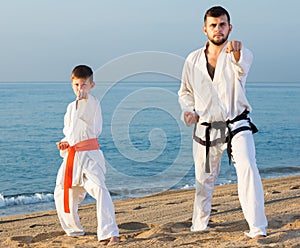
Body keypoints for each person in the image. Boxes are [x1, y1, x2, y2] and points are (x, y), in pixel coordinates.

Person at [178, 6, 268, 238]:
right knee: (205, 179)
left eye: (222, 24)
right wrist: (188, 110)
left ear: (230, 27)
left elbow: (241, 67)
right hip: (207, 130)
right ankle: (199, 225)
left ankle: (258, 228)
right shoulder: (193, 59)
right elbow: (185, 91)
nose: (218, 29)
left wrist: (236, 53)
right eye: (213, 25)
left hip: (237, 126)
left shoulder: (240, 52)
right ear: (205, 29)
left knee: (248, 168)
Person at [54, 65, 119, 245]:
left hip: (90, 156)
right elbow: (70, 132)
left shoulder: (93, 104)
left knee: (99, 190)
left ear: (92, 85)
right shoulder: (70, 107)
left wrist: (83, 102)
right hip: (72, 156)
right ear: (72, 85)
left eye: (83, 85)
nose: (79, 89)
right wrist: (64, 143)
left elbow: (89, 125)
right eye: (76, 85)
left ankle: (110, 232)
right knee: (62, 191)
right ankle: (73, 229)